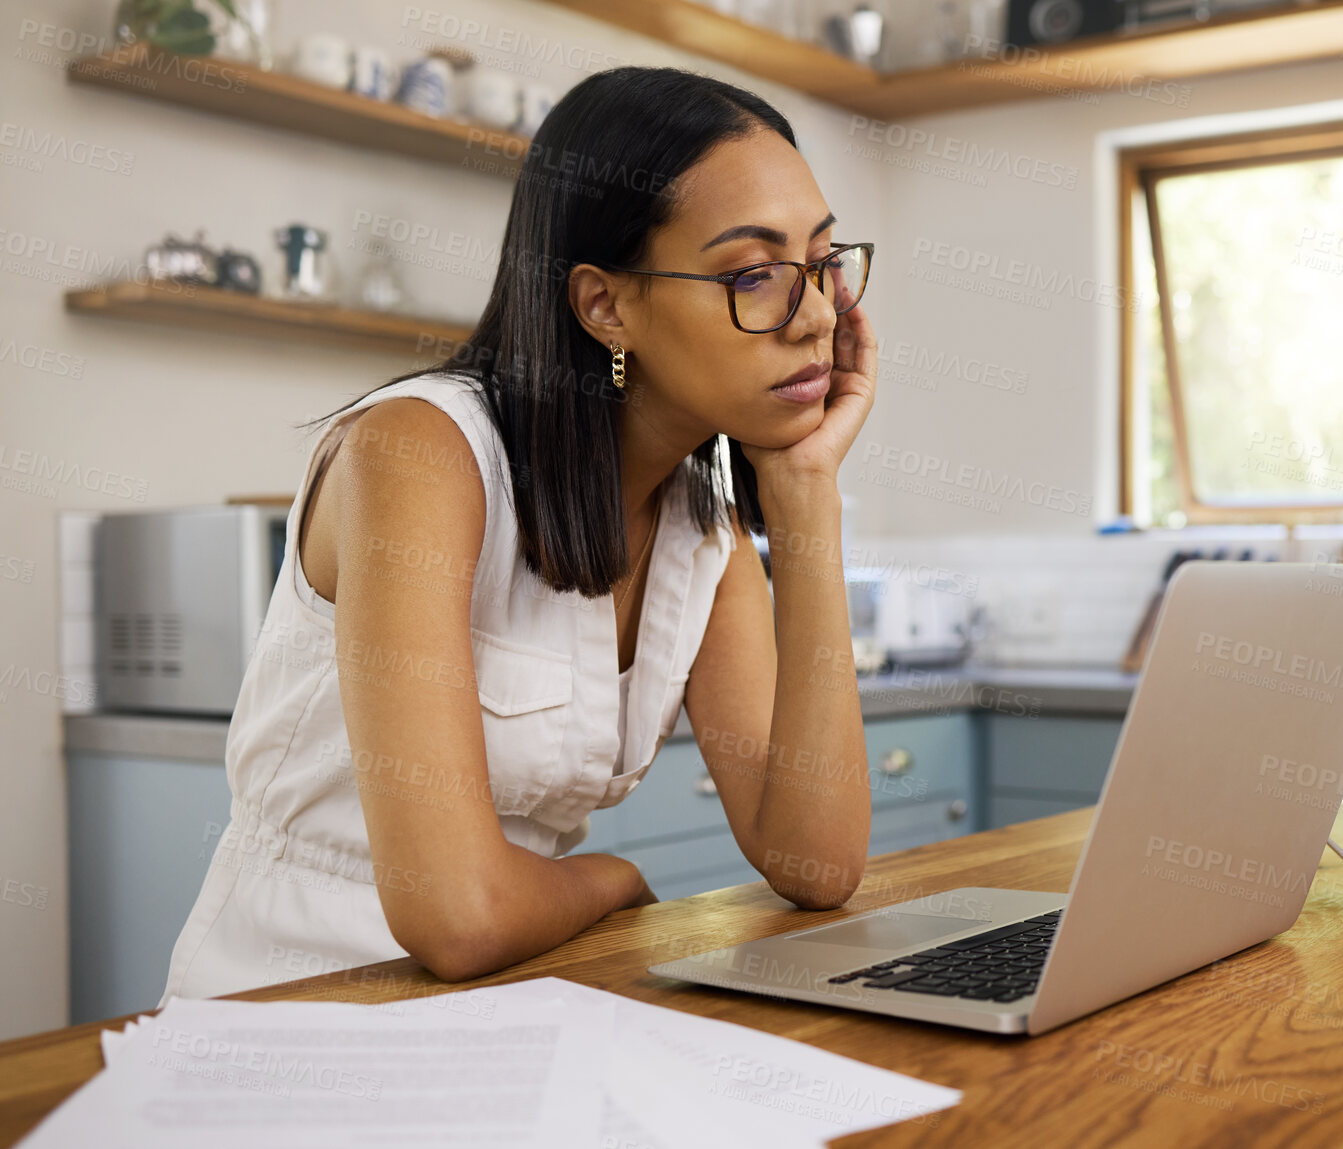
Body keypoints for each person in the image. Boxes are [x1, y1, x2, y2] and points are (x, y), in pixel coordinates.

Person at [160, 66, 878, 1001]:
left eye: (822, 264)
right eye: (753, 275)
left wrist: (808, 492)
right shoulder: (419, 453)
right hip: (295, 1003)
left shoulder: (702, 528)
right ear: (604, 305)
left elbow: (816, 863)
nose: (816, 314)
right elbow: (457, 914)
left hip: (518, 1006)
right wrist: (610, 879)